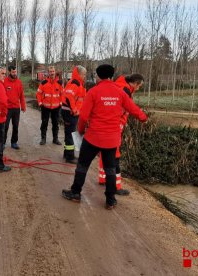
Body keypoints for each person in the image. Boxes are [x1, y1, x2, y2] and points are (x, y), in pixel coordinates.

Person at [61, 64, 148, 210]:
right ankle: (110, 199)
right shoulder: (120, 92)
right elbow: (132, 108)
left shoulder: (93, 92)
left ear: (98, 76)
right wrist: (144, 118)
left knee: (82, 165)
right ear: (111, 76)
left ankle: (75, 193)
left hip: (93, 138)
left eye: (95, 75)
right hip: (111, 140)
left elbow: (83, 116)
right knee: (110, 169)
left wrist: (81, 131)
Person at [98, 74, 144, 196]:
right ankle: (116, 187)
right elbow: (130, 108)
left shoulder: (117, 86)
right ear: (134, 83)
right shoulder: (125, 92)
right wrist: (143, 117)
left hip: (106, 124)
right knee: (115, 155)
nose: (139, 89)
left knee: (105, 151)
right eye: (139, 86)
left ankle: (103, 178)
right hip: (115, 126)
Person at [61, 65, 87, 163]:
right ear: (79, 74)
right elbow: (68, 97)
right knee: (70, 134)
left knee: (69, 133)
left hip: (71, 112)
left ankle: (67, 154)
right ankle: (70, 157)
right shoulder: (75, 83)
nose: (85, 76)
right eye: (84, 74)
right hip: (70, 112)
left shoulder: (79, 84)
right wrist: (74, 109)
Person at [36, 66, 63, 145]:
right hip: (45, 107)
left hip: (56, 107)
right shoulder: (43, 82)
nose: (52, 73)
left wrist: (60, 103)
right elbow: (38, 93)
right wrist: (40, 103)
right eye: (50, 71)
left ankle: (55, 139)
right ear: (48, 73)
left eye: (53, 71)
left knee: (56, 124)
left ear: (55, 72)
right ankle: (43, 139)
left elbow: (62, 94)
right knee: (44, 123)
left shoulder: (59, 83)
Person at [3, 65, 26, 150]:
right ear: (9, 72)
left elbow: (22, 96)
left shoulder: (19, 82)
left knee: (15, 126)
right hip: (7, 108)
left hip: (16, 108)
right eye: (13, 72)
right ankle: (3, 142)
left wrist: (23, 106)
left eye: (15, 72)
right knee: (5, 126)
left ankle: (14, 142)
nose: (14, 73)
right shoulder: (4, 82)